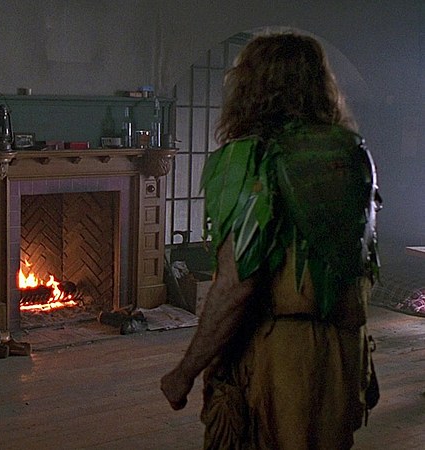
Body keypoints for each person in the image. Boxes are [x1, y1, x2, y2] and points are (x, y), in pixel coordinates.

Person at [160, 33, 381, 448]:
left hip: (282, 357)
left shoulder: (252, 158)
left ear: (251, 86)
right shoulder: (354, 154)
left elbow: (235, 286)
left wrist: (184, 372)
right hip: (344, 351)